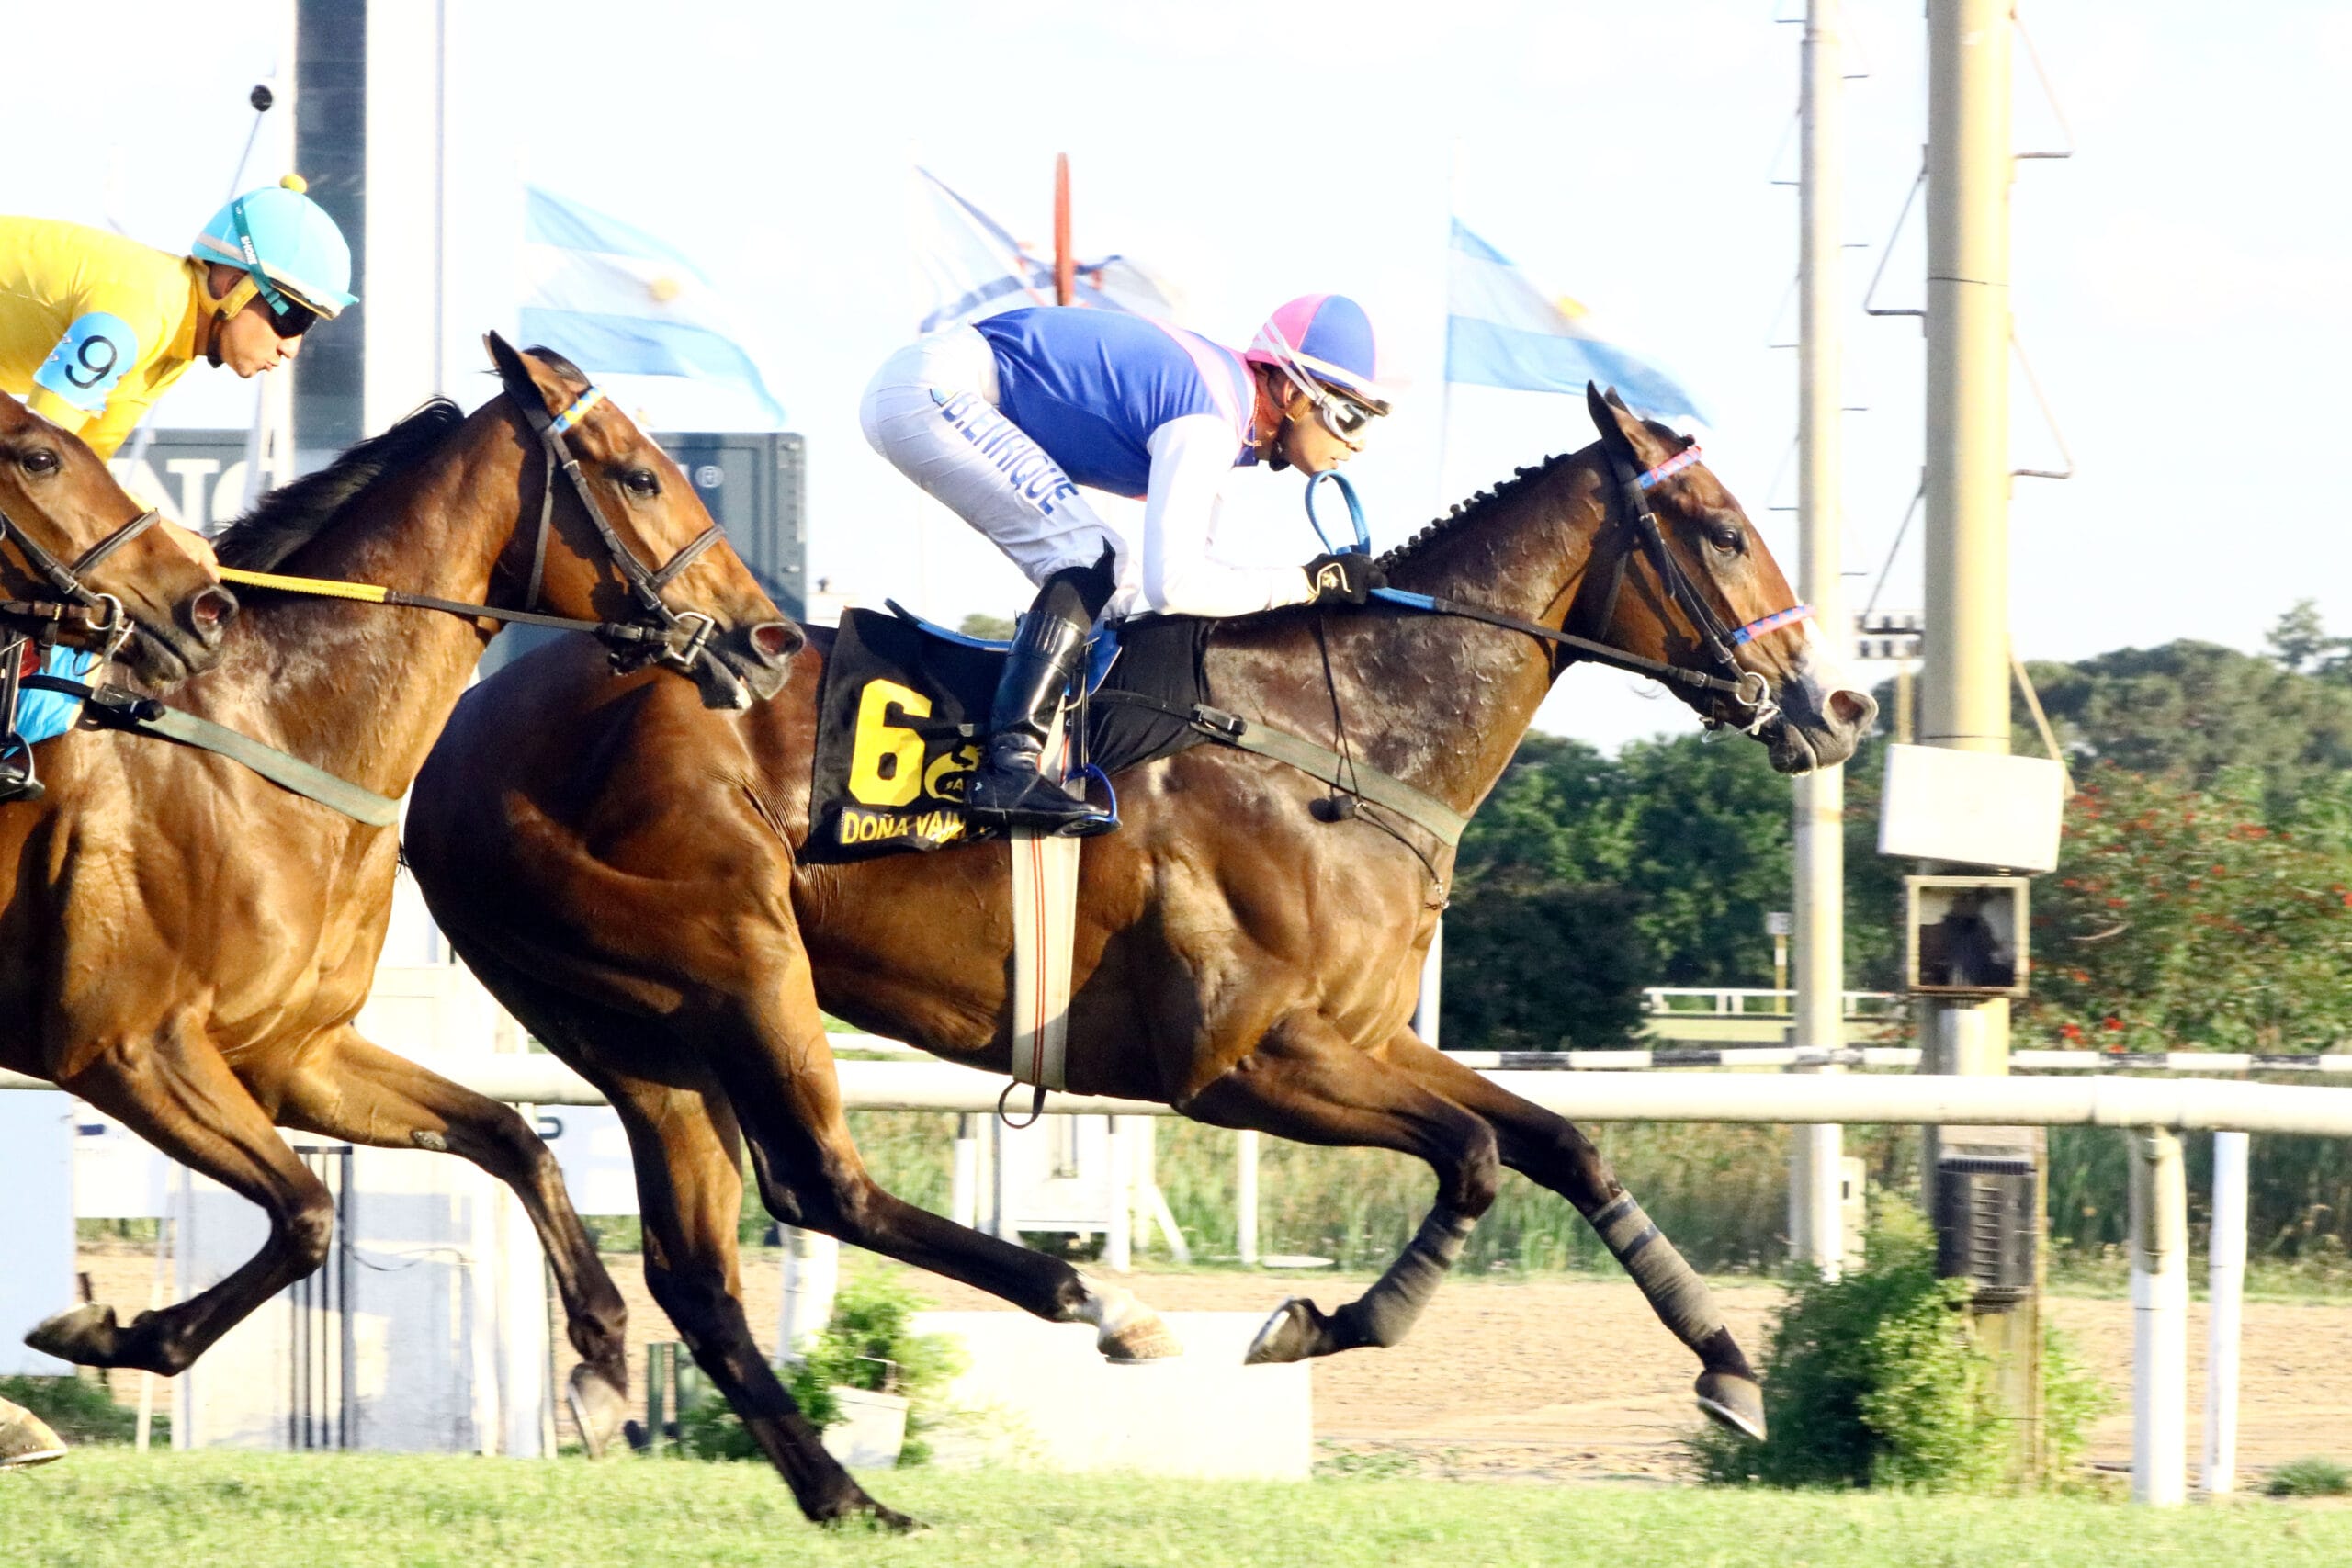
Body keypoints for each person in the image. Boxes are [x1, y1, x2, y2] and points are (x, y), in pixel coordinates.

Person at [860, 294, 1390, 835]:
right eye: (1348, 415)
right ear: (1294, 393)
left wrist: (1304, 590)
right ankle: (1009, 766)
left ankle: (1063, 745)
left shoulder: (1225, 415)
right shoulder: (1208, 419)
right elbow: (1178, 587)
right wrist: (1307, 584)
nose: (1358, 443)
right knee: (1092, 559)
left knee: (1120, 589)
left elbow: (1180, 592)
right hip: (933, 391)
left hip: (936, 387)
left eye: (1369, 421)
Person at [0, 175, 355, 802]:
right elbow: (38, 459)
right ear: (226, 282)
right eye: (289, 314)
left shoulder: (171, 347)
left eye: (309, 325)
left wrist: (166, 533)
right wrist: (164, 536)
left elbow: (89, 470)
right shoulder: (140, 308)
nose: (293, 345)